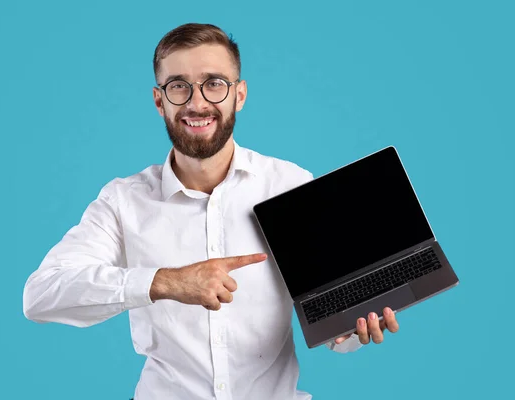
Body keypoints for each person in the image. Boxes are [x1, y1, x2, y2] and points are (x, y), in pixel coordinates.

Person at [23, 23, 400, 400]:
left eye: (214, 83)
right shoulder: (124, 201)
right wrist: (165, 282)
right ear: (159, 101)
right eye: (178, 86)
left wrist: (350, 330)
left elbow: (331, 319)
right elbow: (40, 295)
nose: (197, 102)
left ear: (239, 95)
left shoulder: (289, 184)